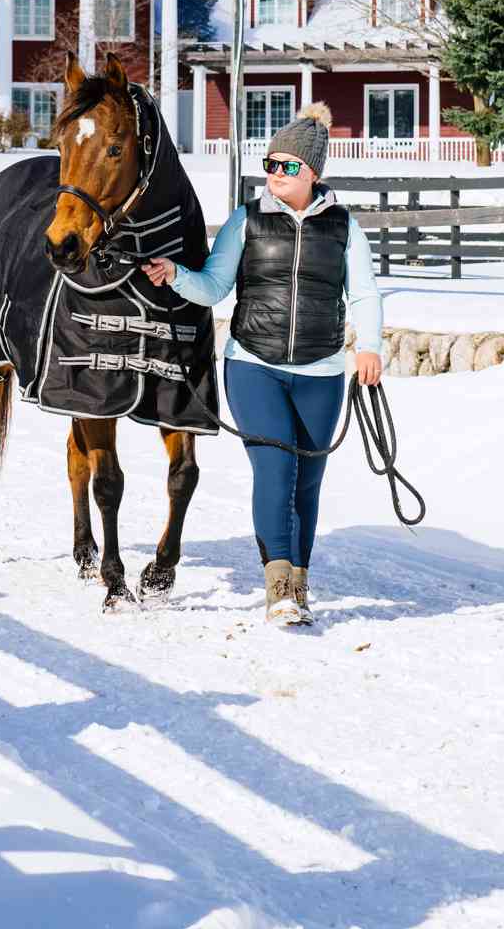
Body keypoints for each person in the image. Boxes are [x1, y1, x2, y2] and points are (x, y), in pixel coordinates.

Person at [142, 103, 382, 626]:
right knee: (275, 471)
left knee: (307, 484)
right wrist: (176, 275)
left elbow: (364, 294)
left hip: (321, 373)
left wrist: (370, 347)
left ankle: (299, 576)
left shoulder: (344, 227)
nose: (275, 173)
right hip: (253, 365)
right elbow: (213, 286)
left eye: (287, 166)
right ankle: (278, 586)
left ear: (313, 172)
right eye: (270, 163)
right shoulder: (245, 221)